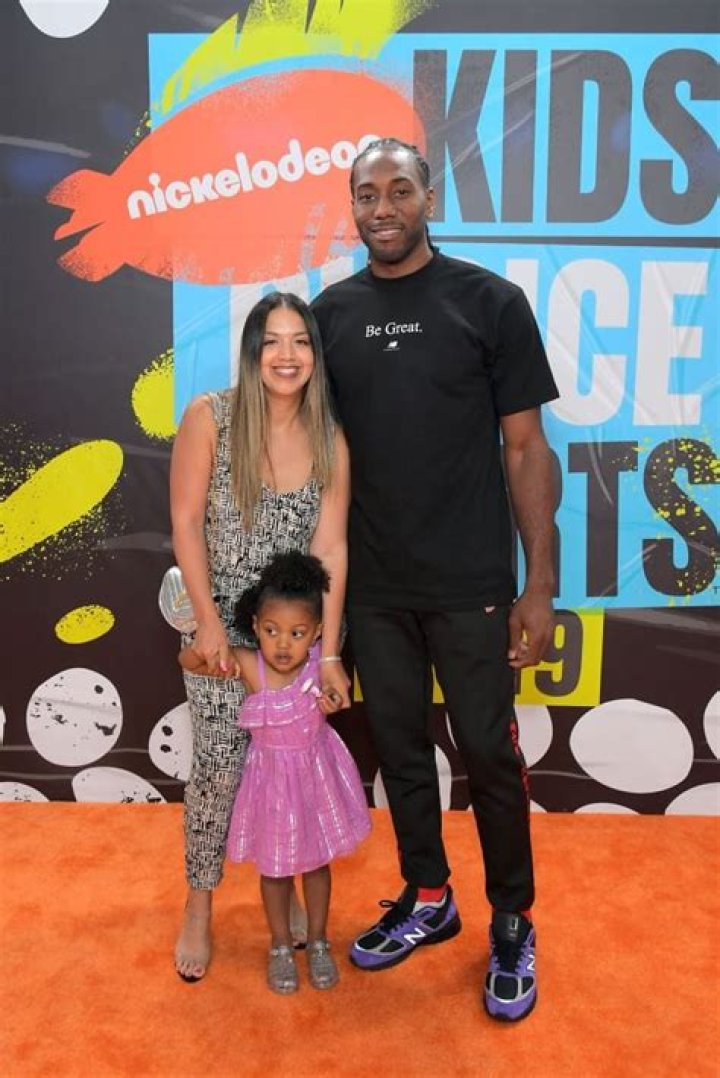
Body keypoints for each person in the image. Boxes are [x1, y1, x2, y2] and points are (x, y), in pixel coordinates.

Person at [311, 138, 559, 1022]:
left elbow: (526, 448)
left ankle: (513, 920)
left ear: (428, 198)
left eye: (399, 190)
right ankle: (428, 897)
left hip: (472, 581)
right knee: (401, 750)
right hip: (375, 586)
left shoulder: (490, 302)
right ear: (352, 205)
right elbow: (316, 460)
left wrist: (539, 584)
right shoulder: (329, 315)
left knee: (488, 752)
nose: (382, 208)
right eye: (366, 194)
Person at [169, 292, 351, 982]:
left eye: (299, 341)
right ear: (252, 352)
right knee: (219, 770)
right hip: (222, 636)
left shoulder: (329, 437)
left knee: (293, 772)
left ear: (314, 355)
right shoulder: (210, 417)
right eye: (271, 340)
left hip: (295, 643)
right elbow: (186, 523)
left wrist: (327, 653)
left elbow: (330, 548)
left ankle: (290, 883)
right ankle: (199, 903)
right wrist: (208, 621)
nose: (286, 355)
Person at [179, 551, 371, 994]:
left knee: (317, 865)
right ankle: (281, 945)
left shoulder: (320, 666)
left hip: (315, 782)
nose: (283, 645)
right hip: (271, 789)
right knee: (276, 870)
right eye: (271, 631)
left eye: (297, 633)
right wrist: (201, 641)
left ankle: (318, 940)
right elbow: (188, 664)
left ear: (317, 633)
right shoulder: (251, 666)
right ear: (255, 627)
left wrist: (334, 701)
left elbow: (339, 698)